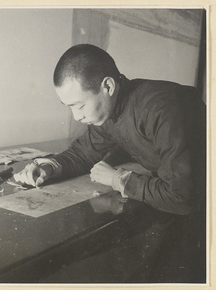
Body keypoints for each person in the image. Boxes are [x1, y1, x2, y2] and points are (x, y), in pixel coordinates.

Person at [14, 44, 206, 216]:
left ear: (108, 86)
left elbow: (182, 197)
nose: (76, 117)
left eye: (79, 106)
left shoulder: (162, 109)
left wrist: (118, 179)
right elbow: (82, 153)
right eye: (68, 106)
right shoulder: (109, 111)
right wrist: (49, 167)